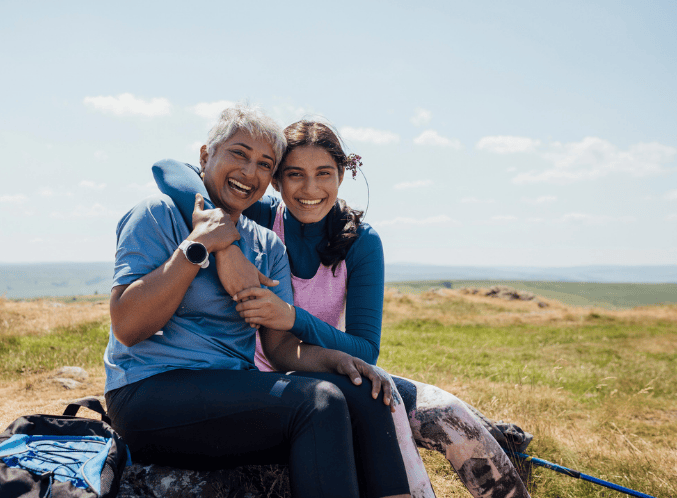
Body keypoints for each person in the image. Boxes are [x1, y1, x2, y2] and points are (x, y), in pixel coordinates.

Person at [153, 119, 532, 498]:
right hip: (264, 379)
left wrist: (292, 318)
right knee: (374, 404)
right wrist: (225, 244)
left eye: (324, 174)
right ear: (276, 181)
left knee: (448, 412)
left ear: (341, 176)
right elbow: (170, 169)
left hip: (328, 365)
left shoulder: (361, 242)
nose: (310, 188)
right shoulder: (260, 216)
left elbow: (366, 349)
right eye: (295, 175)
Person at [105, 104, 411, 498]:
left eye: (265, 164)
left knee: (360, 394)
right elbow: (128, 329)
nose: (250, 173)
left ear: (271, 179)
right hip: (148, 394)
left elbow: (280, 349)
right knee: (317, 402)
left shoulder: (267, 246)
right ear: (204, 156)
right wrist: (202, 247)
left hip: (228, 392)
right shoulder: (157, 214)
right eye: (238, 154)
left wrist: (339, 362)